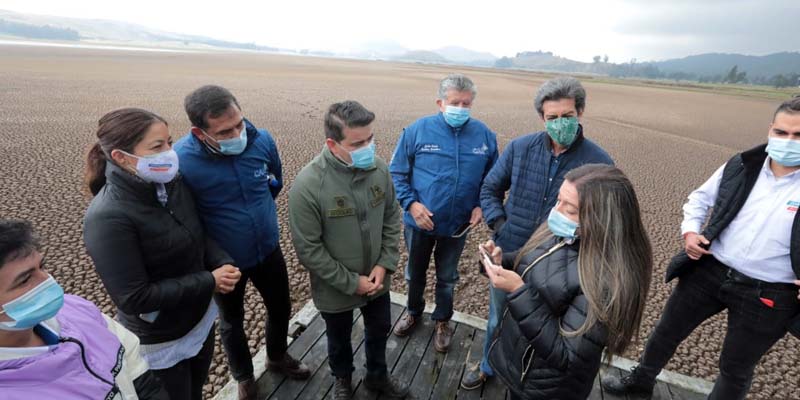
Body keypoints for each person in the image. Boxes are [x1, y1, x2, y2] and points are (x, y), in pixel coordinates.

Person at [602, 96, 800, 400]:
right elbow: (700, 198)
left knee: (735, 367)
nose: (788, 141)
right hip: (710, 268)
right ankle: (640, 382)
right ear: (770, 130)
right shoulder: (743, 165)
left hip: (769, 293)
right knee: (666, 331)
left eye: (798, 135)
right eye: (782, 132)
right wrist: (691, 232)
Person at [462, 76, 614, 390]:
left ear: (580, 113)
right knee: (498, 318)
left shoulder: (598, 163)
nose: (561, 123)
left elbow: (606, 222)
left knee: (545, 329)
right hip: (510, 255)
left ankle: (527, 378)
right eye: (553, 118)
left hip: (560, 269)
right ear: (542, 118)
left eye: (568, 116)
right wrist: (500, 224)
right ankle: (491, 364)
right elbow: (490, 188)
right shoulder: (520, 148)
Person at [83, 108, 242, 400]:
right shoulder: (108, 217)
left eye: (169, 142)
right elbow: (133, 297)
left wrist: (221, 260)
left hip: (198, 319)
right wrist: (210, 281)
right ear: (121, 157)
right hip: (161, 339)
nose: (170, 152)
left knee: (196, 390)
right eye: (157, 146)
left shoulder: (172, 182)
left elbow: (195, 232)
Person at [174, 85, 310, 400]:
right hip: (224, 262)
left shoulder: (261, 140)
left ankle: (276, 357)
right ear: (199, 132)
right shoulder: (182, 161)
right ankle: (244, 377)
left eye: (239, 123)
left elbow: (273, 181)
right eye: (224, 131)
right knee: (231, 322)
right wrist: (216, 259)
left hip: (267, 247)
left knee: (280, 307)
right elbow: (186, 219)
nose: (238, 133)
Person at [482, 164, 652, 400]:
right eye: (558, 200)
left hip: (547, 388)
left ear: (602, 221)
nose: (557, 212)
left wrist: (518, 291)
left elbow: (566, 356)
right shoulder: (565, 232)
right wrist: (501, 261)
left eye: (570, 209)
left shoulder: (608, 282)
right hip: (521, 366)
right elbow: (536, 260)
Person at [289, 101, 409, 399]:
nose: (368, 147)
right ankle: (342, 380)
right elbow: (308, 249)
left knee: (379, 329)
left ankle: (377, 377)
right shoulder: (308, 185)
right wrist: (351, 282)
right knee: (339, 338)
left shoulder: (379, 169)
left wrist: (385, 263)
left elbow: (392, 216)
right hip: (336, 287)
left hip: (378, 280)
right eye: (358, 143)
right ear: (332, 143)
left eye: (370, 138)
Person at [0, 219, 169, 399]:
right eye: (25, 280)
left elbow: (133, 364)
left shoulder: (73, 308)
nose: (48, 280)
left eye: (42, 267)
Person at [389, 74, 498, 352]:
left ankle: (442, 320)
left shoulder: (484, 136)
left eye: (466, 103)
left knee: (447, 277)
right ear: (440, 103)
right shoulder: (417, 131)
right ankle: (413, 312)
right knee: (415, 273)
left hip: (457, 225)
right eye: (454, 103)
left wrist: (480, 205)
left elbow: (492, 178)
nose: (460, 108)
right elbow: (398, 172)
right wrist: (411, 204)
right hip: (419, 223)